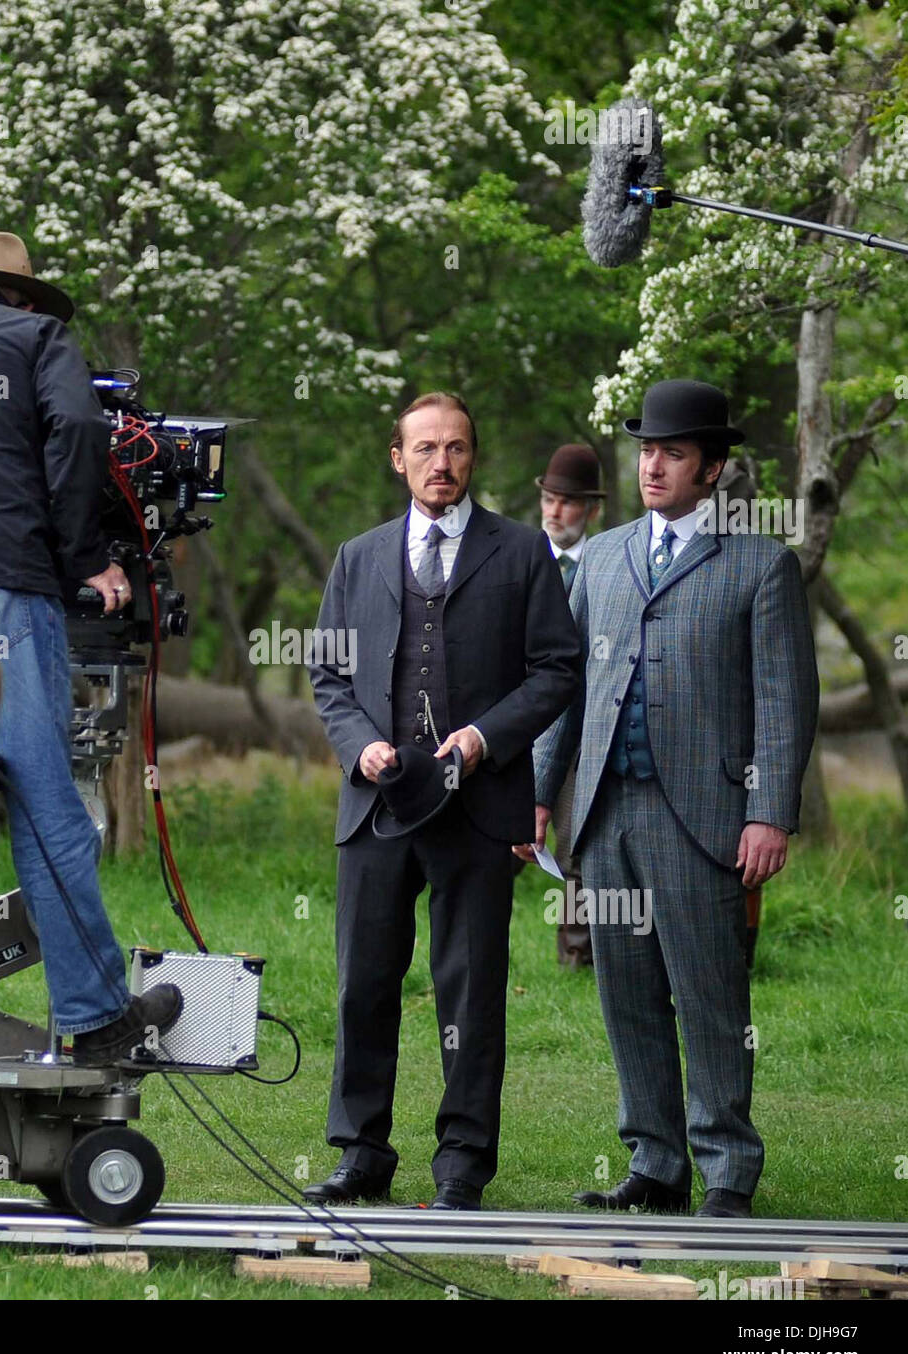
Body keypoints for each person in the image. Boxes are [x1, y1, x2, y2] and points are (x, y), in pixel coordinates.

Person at [523, 379, 818, 1218]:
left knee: (709, 997)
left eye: (673, 452)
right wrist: (539, 795)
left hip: (706, 819)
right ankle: (654, 1165)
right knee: (625, 994)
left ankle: (726, 1169)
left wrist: (768, 812)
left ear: (712, 468)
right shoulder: (606, 555)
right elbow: (564, 689)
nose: (653, 464)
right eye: (647, 449)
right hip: (606, 813)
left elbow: (782, 700)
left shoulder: (761, 563)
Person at [0, 231, 181, 1064]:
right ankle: (93, 1016)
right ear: (17, 295)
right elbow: (79, 434)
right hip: (2, 591)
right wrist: (82, 556)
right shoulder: (36, 338)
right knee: (42, 793)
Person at [305, 392, 581, 1210]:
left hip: (478, 804)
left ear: (473, 456)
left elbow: (556, 669)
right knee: (363, 983)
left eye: (456, 448)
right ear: (398, 458)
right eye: (424, 449)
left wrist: (482, 739)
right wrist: (362, 747)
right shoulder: (357, 556)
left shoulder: (522, 550)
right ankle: (360, 1153)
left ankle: (461, 1161)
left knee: (469, 988)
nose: (441, 464)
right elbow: (327, 674)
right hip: (377, 804)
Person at [533, 444, 606, 969]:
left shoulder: (607, 567)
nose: (556, 512)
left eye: (569, 502)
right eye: (550, 499)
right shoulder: (517, 557)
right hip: (511, 726)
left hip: (579, 731)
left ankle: (577, 959)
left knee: (575, 845)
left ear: (591, 509)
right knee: (493, 844)